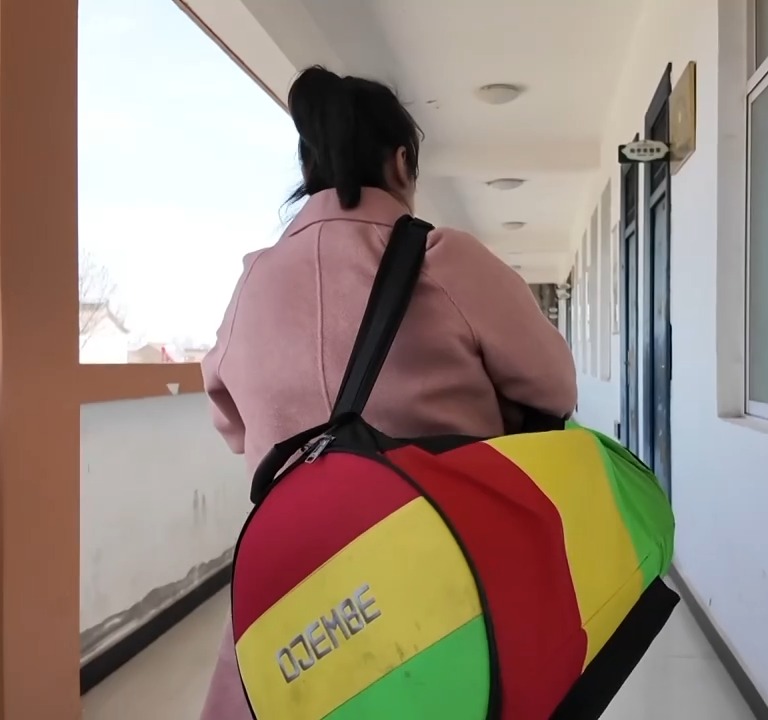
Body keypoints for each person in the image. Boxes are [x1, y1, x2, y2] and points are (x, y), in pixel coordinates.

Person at [199, 65, 577, 719]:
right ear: (401, 161)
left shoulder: (252, 284)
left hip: (306, 605)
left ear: (310, 165)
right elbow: (555, 386)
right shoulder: (444, 259)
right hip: (448, 586)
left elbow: (231, 424)